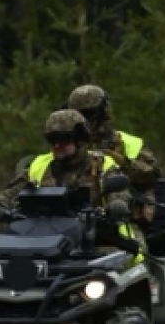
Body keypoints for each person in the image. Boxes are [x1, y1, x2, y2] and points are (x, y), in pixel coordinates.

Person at [0, 110, 144, 258]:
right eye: (51, 139)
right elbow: (8, 195)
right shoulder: (39, 166)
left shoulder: (101, 164)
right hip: (38, 240)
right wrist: (2, 206)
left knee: (123, 261)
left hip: (90, 240)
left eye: (63, 139)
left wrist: (117, 205)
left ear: (80, 139)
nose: (56, 145)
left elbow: (119, 192)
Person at [67, 84, 159, 224]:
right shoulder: (66, 145)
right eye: (77, 114)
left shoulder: (127, 143)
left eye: (88, 114)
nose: (83, 120)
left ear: (103, 113)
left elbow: (152, 175)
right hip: (72, 220)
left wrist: (122, 163)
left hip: (124, 220)